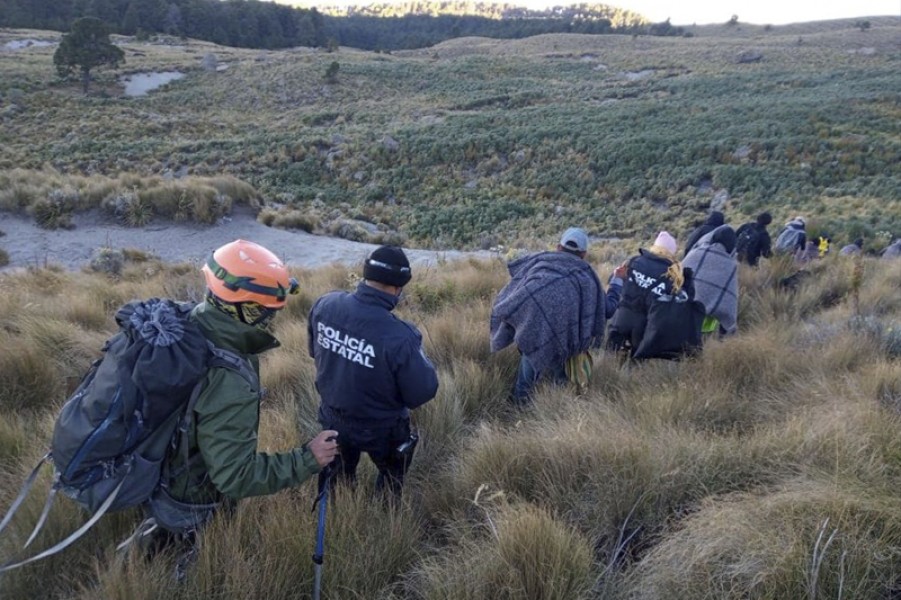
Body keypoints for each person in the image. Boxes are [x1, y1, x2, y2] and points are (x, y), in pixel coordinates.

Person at [150, 239, 339, 575]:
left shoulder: (187, 324)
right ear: (246, 309)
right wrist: (307, 459)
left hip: (156, 477)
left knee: (152, 561)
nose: (272, 316)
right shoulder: (229, 379)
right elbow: (235, 478)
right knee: (191, 574)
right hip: (190, 503)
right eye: (268, 309)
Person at [308, 245, 438, 496]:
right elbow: (421, 393)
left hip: (332, 417)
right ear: (399, 287)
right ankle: (384, 518)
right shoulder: (401, 337)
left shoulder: (325, 304)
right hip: (382, 426)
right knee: (392, 476)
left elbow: (315, 352)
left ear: (365, 276)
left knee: (337, 481)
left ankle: (340, 516)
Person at [490, 227, 611, 404]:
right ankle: (556, 413)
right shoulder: (587, 276)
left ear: (558, 247)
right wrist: (616, 283)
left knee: (526, 378)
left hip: (533, 333)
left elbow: (515, 295)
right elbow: (607, 309)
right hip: (567, 340)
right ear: (584, 253)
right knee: (560, 380)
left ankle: (517, 408)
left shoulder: (537, 264)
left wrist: (519, 322)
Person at [606, 231, 691, 356]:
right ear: (671, 252)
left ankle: (604, 371)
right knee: (635, 365)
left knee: (609, 356)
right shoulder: (672, 275)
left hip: (621, 318)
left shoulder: (634, 261)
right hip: (645, 328)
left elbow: (612, 280)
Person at [682, 225, 739, 336]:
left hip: (681, 308)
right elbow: (729, 297)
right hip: (704, 320)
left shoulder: (695, 252)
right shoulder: (730, 265)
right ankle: (701, 343)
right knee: (711, 313)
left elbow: (677, 277)